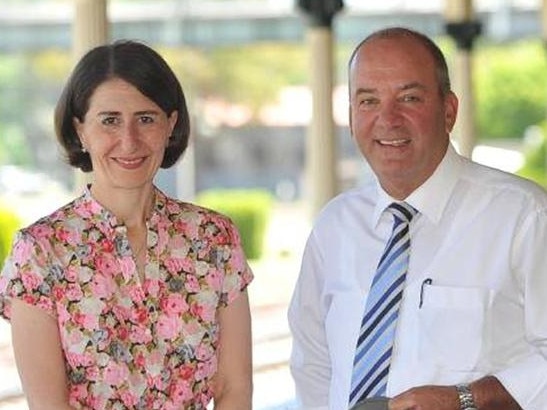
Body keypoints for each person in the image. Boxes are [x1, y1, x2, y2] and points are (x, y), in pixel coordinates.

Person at [288, 26, 547, 410]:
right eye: (368, 100)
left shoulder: (524, 216)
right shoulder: (334, 227)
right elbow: (313, 363)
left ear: (449, 110)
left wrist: (468, 399)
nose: (388, 119)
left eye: (409, 98)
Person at [0, 40, 253, 409]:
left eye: (146, 119)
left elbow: (234, 388)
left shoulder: (214, 239)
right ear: (81, 130)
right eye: (110, 120)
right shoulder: (39, 252)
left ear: (172, 125)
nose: (129, 140)